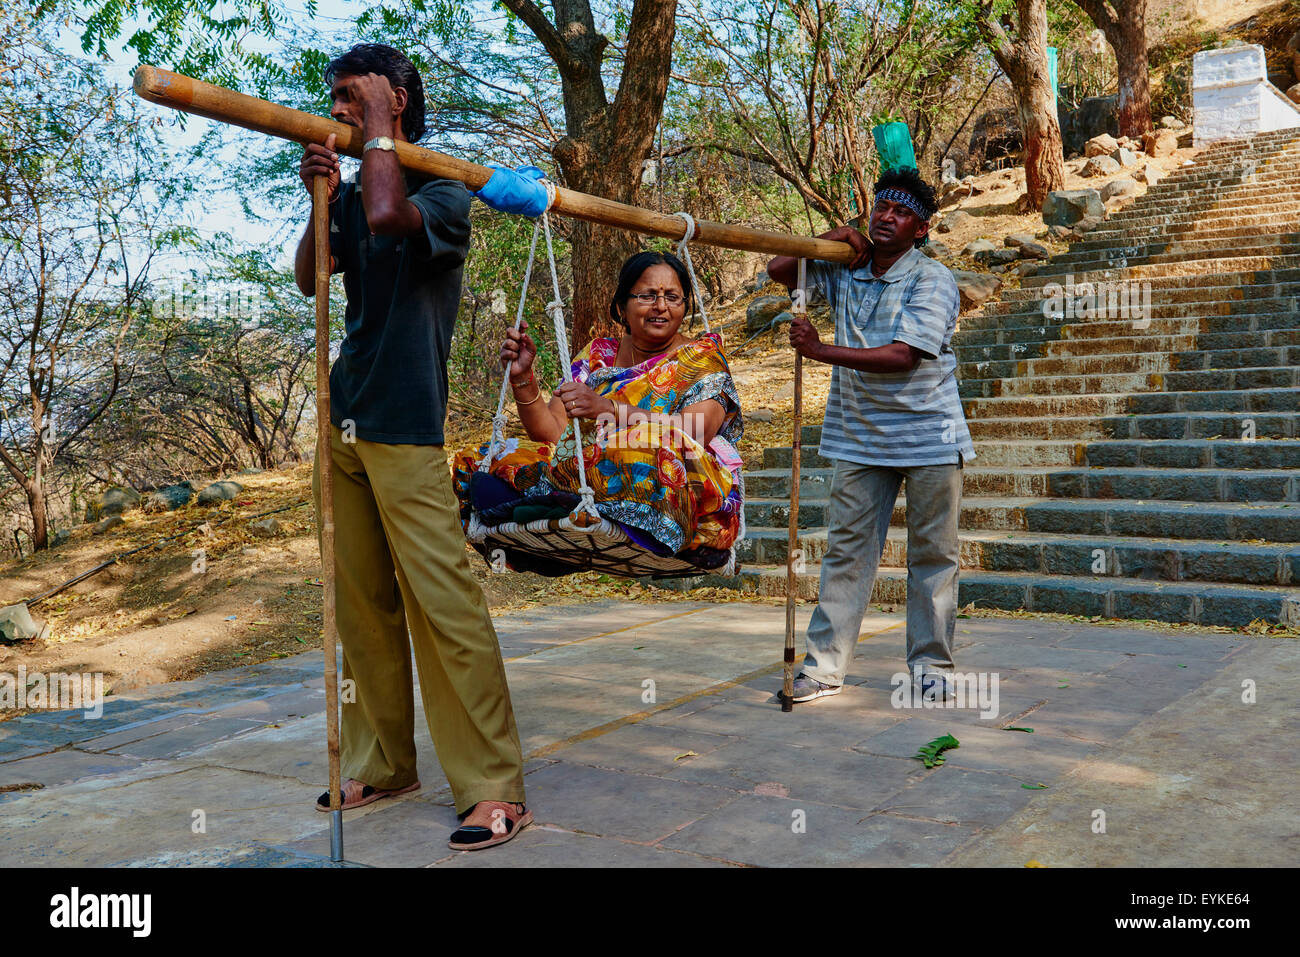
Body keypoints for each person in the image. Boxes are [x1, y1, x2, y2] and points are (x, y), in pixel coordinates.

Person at [295, 42, 529, 851]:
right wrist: (320, 196)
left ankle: (494, 784)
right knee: (361, 605)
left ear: (397, 98)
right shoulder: (357, 188)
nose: (341, 109)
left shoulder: (444, 188)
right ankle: (385, 759)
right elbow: (311, 277)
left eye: (354, 96)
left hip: (406, 424)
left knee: (446, 608)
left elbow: (395, 218)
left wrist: (383, 128)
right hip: (346, 418)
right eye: (337, 98)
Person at [766, 166, 975, 704]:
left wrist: (820, 351)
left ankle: (932, 667)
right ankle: (824, 667)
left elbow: (904, 356)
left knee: (934, 554)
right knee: (847, 551)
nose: (887, 217)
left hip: (930, 434)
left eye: (902, 212)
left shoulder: (933, 279)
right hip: (859, 436)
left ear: (921, 229)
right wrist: (834, 237)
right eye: (882, 206)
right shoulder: (844, 267)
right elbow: (779, 269)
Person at [453, 251, 744, 566]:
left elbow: (695, 433)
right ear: (621, 306)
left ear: (685, 306)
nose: (661, 307)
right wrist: (523, 377)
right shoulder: (599, 355)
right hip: (587, 466)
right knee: (486, 455)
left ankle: (563, 503)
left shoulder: (702, 358)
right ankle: (560, 509)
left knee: (644, 453)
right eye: (648, 296)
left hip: (671, 474)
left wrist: (608, 408)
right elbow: (551, 432)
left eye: (673, 297)